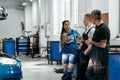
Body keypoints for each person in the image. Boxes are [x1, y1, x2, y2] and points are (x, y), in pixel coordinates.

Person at [85, 9, 110, 80]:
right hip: (94, 56)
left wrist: (92, 42)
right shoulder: (97, 27)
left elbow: (103, 45)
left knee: (99, 76)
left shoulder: (103, 28)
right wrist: (90, 42)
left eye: (91, 18)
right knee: (88, 74)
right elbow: (96, 41)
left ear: (93, 17)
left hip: (100, 58)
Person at [77, 13, 95, 80]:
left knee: (82, 72)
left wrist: (86, 51)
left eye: (84, 19)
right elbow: (86, 40)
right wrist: (81, 41)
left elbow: (92, 43)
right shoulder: (87, 29)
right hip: (83, 53)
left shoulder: (93, 29)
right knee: (80, 72)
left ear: (88, 19)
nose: (83, 21)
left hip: (87, 54)